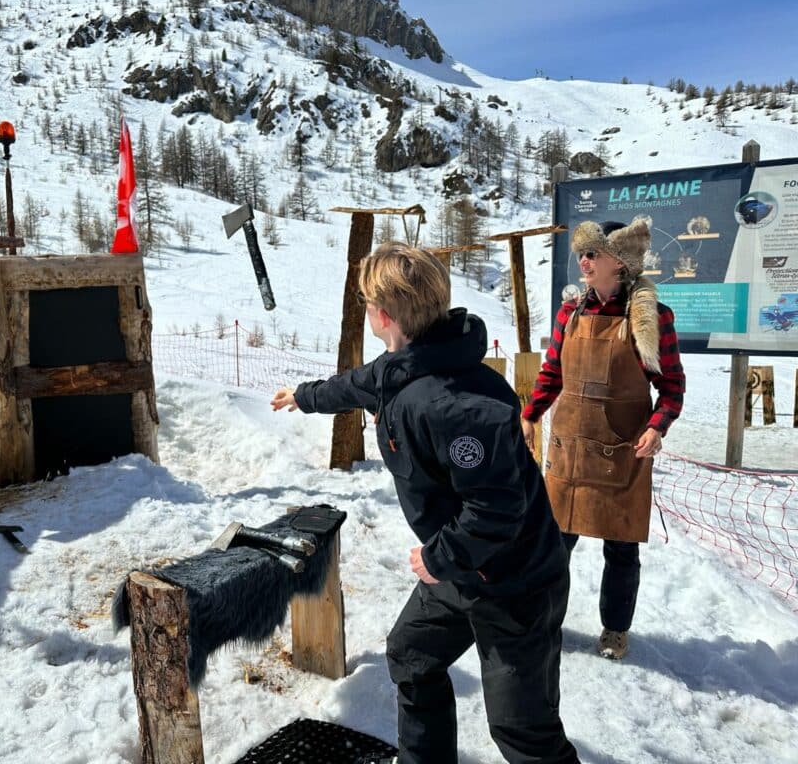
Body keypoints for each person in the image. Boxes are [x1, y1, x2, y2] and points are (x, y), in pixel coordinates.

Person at [272, 242, 578, 764]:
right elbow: (357, 386)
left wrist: (438, 557)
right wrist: (303, 396)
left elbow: (497, 509)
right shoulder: (403, 365)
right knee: (412, 655)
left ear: (383, 315)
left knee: (523, 735)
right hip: (461, 571)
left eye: (367, 300)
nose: (366, 308)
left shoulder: (457, 406)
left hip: (515, 582)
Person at [521, 219, 685, 661]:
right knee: (553, 546)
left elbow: (671, 388)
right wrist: (531, 414)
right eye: (582, 254)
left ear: (621, 262)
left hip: (622, 453)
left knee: (621, 549)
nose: (584, 262)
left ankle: (615, 631)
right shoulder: (570, 313)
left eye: (594, 254)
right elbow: (552, 373)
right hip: (570, 448)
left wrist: (656, 426)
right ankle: (544, 623)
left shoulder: (652, 319)